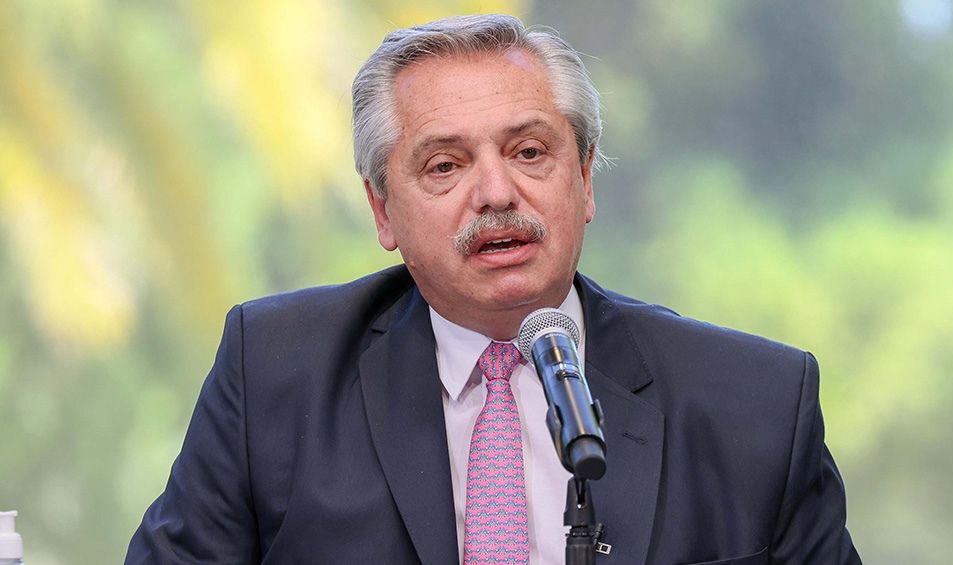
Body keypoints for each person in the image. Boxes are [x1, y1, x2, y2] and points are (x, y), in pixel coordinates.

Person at [126, 14, 860, 565]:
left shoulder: (756, 406)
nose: (496, 192)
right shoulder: (277, 375)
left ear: (584, 178)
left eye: (529, 151)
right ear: (382, 210)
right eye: (445, 166)